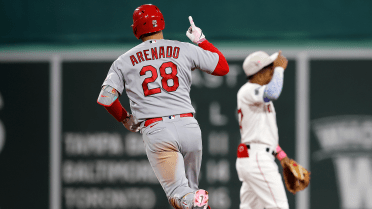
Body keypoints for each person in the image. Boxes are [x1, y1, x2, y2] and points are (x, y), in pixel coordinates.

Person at [97, 4, 229, 209]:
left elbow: (106, 98)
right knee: (190, 198)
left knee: (179, 196)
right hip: (189, 127)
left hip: (158, 131)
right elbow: (222, 67)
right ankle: (194, 200)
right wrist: (201, 40)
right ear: (162, 24)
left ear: (135, 29)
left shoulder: (123, 61)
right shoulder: (184, 48)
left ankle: (193, 199)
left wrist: (124, 118)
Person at [235, 50, 290, 209]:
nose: (273, 70)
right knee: (279, 206)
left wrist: (281, 155)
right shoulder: (249, 90)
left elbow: (262, 134)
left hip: (254, 156)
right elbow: (273, 92)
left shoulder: (255, 94)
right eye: (270, 67)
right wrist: (280, 69)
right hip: (257, 159)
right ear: (260, 71)